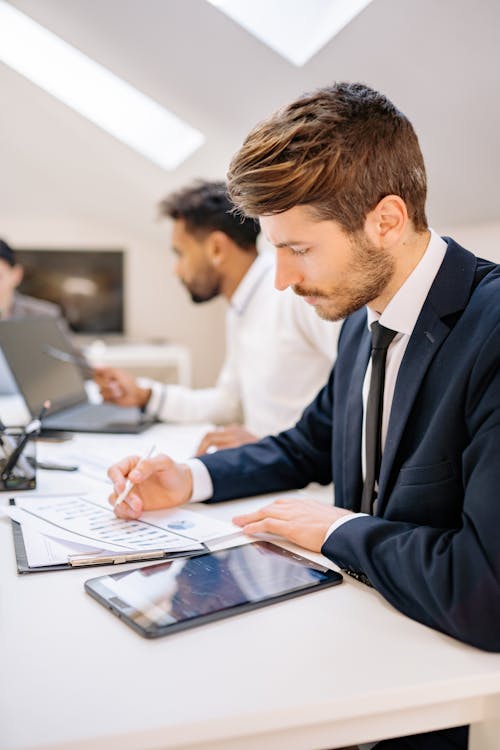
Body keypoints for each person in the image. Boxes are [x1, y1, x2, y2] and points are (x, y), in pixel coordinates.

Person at [106, 83, 500, 749]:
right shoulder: (362, 315)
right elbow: (309, 445)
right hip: (347, 653)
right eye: (274, 250)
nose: (283, 281)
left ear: (387, 220)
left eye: (300, 250)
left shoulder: (491, 330)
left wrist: (336, 530)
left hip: (425, 694)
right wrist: (191, 478)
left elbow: (485, 590)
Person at [95, 180, 338, 453]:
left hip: (307, 478)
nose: (176, 270)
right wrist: (145, 395)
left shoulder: (295, 294)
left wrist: (277, 446)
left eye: (181, 253)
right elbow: (229, 403)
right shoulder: (242, 305)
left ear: (216, 249)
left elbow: (359, 394)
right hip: (274, 463)